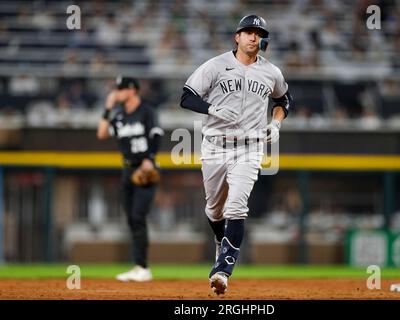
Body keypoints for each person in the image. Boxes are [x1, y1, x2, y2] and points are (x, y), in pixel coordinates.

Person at [180, 15, 292, 295]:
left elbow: (283, 100)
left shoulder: (271, 72)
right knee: (214, 209)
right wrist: (211, 109)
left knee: (237, 208)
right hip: (215, 145)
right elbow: (186, 96)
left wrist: (276, 122)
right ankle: (222, 242)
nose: (253, 37)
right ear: (237, 36)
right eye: (248, 32)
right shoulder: (216, 66)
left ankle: (222, 271)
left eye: (258, 33)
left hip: (250, 147)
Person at [97, 76, 164, 282]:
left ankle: (142, 267)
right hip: (127, 171)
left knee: (137, 217)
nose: (117, 93)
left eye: (121, 89)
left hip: (145, 169)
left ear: (133, 90)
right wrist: (108, 108)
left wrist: (149, 159)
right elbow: (101, 133)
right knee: (131, 219)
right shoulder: (118, 116)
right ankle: (139, 266)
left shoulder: (147, 111)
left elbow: (156, 135)